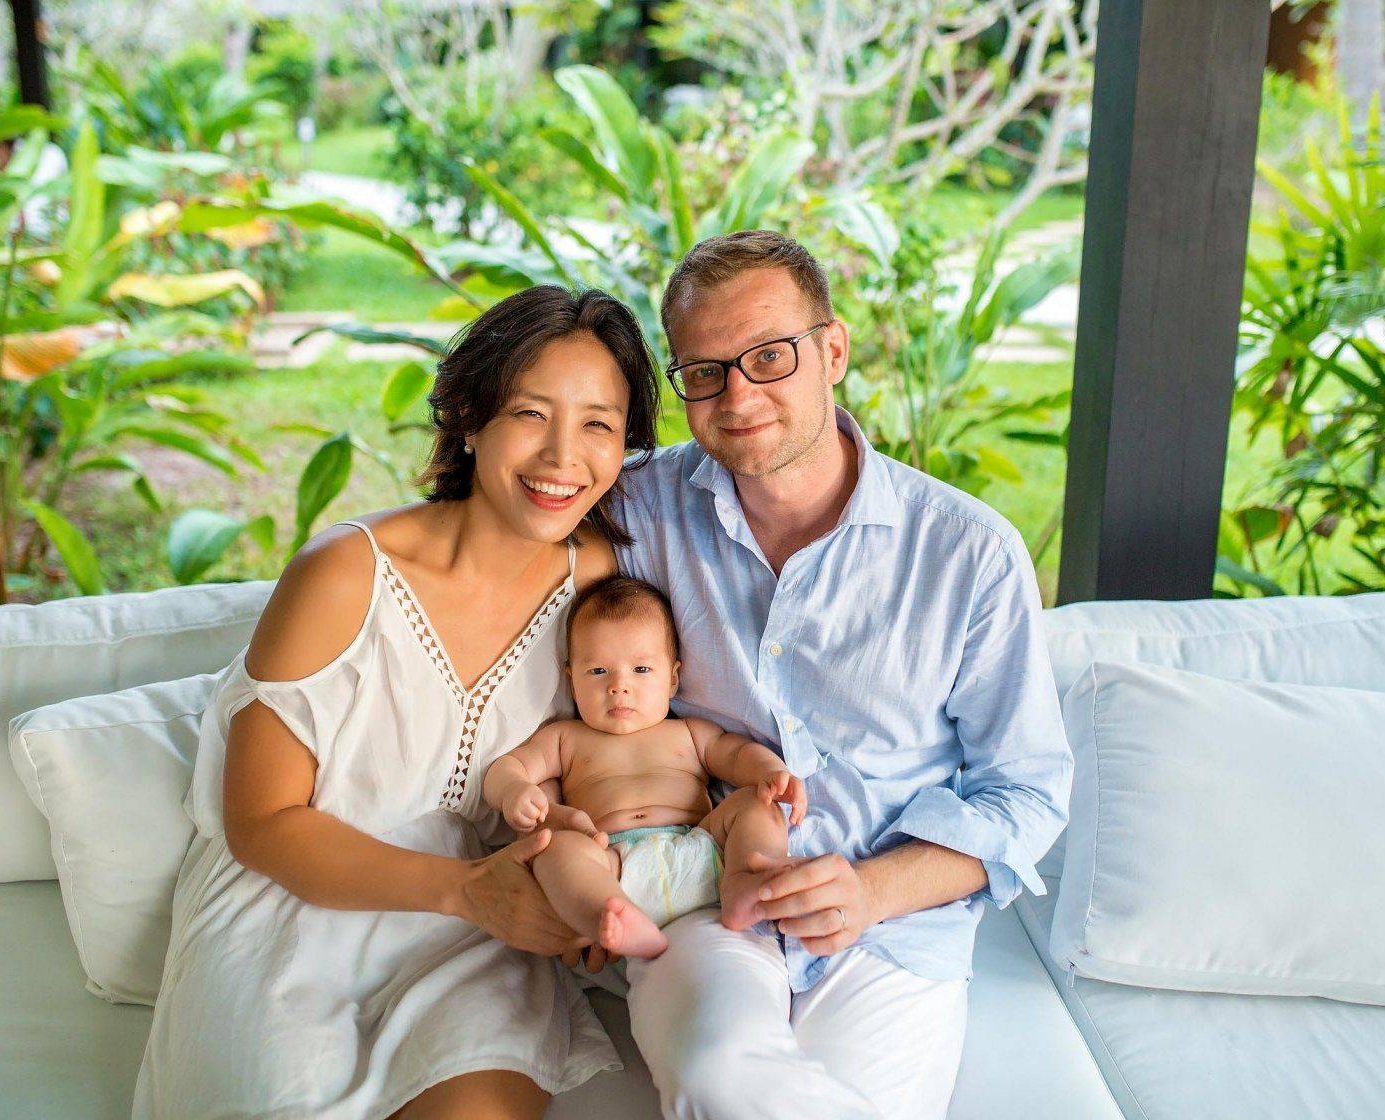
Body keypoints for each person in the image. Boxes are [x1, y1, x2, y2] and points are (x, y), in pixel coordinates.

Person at [132, 284, 659, 1120]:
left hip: (474, 933)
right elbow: (261, 822)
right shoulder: (344, 574)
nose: (563, 456)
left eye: (598, 424)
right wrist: (466, 889)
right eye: (530, 413)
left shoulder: (594, 582)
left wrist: (576, 876)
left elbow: (601, 757)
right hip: (294, 906)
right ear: (468, 417)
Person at [613, 229, 1074, 1120]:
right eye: (704, 371)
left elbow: (1026, 793)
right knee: (719, 1077)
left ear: (833, 352)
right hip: (705, 898)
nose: (737, 396)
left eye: (769, 356)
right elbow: (498, 517)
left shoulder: (969, 554)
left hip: (892, 931)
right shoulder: (638, 509)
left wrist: (873, 890)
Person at [481, 574, 808, 960]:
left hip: (702, 851)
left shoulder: (690, 732)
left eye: (640, 670)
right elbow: (508, 767)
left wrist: (770, 773)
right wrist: (514, 790)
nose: (619, 686)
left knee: (758, 804)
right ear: (572, 681)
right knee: (558, 852)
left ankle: (745, 882)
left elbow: (736, 755)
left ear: (673, 679)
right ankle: (605, 915)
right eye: (598, 671)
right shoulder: (564, 737)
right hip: (612, 866)